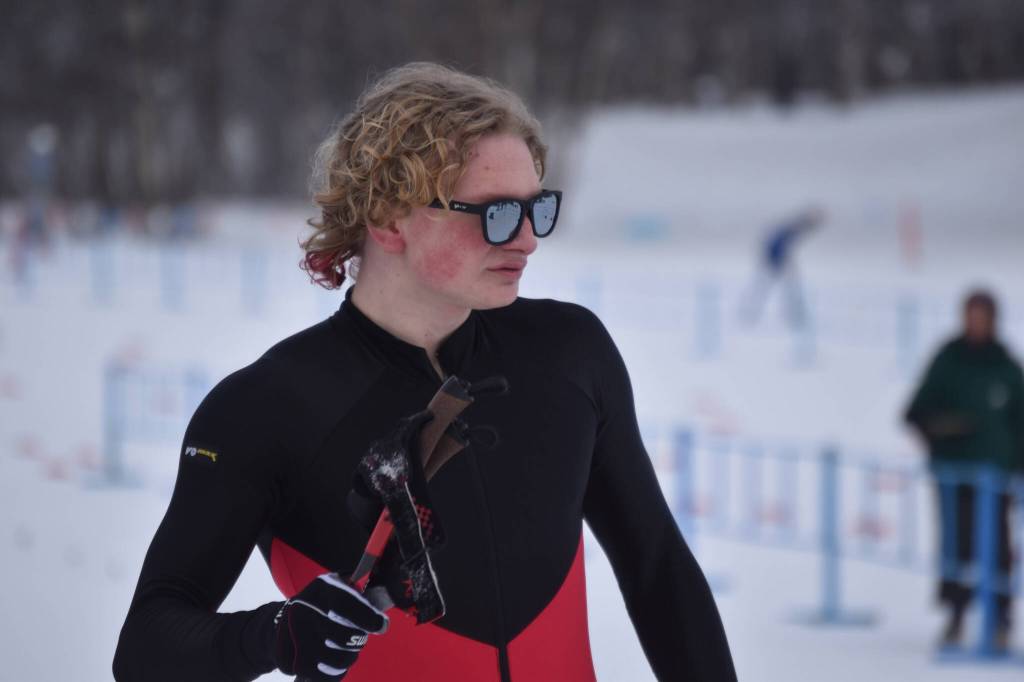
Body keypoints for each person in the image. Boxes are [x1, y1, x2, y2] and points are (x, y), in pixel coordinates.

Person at [112, 62, 736, 681]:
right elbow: (145, 646)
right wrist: (272, 636)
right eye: (495, 213)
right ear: (388, 219)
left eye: (535, 209)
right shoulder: (267, 407)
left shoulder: (570, 352)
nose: (527, 240)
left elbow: (658, 571)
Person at [904, 289, 1024, 651]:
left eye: (982, 317)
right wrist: (945, 430)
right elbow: (917, 412)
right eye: (971, 316)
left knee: (999, 550)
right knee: (957, 548)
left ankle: (1001, 620)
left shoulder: (1005, 366)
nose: (976, 324)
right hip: (955, 478)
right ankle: (956, 615)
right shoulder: (949, 361)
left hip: (997, 479)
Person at [739, 206, 824, 331]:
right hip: (775, 260)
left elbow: (776, 244)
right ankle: (794, 314)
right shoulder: (794, 229)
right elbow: (778, 245)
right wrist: (782, 262)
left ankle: (752, 312)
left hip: (775, 260)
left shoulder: (792, 227)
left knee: (766, 288)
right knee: (773, 288)